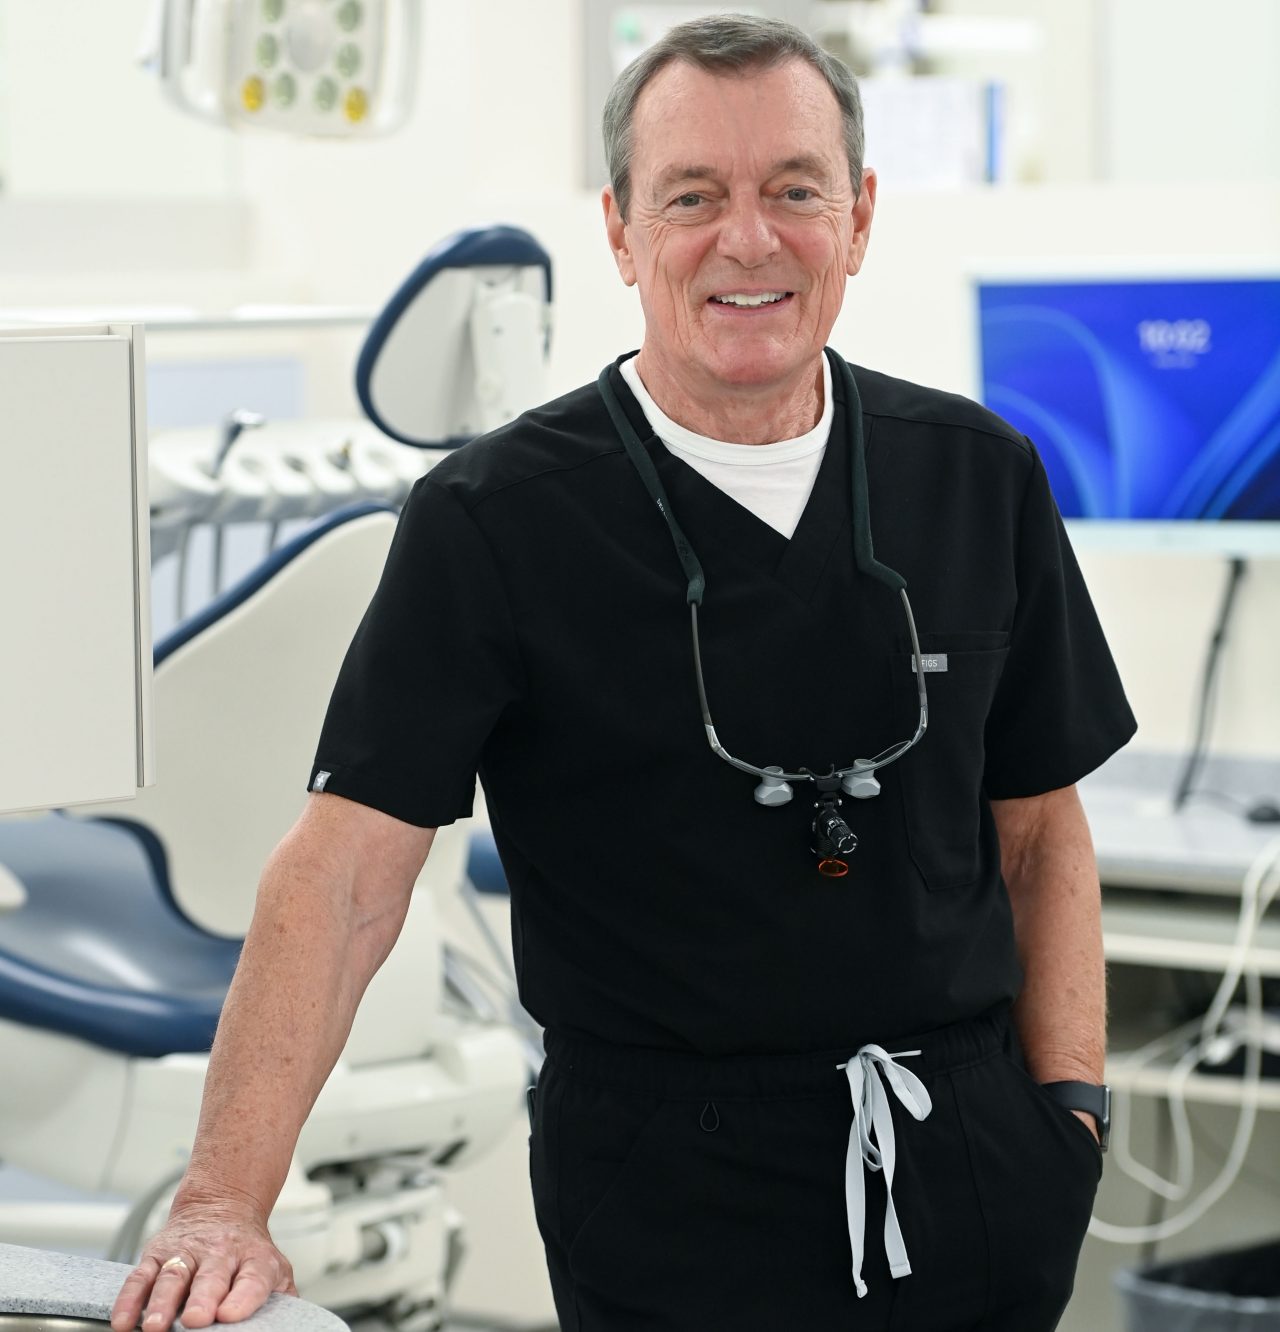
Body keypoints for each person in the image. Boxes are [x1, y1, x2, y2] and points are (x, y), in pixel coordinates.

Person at [112, 14, 1136, 1332]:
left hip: (972, 1169)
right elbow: (349, 875)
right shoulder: (495, 520)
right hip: (666, 1195)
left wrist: (1070, 1116)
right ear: (621, 230)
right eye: (693, 197)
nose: (749, 240)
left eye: (794, 192)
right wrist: (221, 1204)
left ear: (862, 217)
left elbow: (1043, 830)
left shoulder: (979, 475)